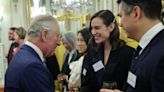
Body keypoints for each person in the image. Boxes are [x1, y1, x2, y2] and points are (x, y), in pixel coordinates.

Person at [100, 0, 164, 92]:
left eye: (121, 16)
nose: (120, 24)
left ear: (136, 13)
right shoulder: (144, 48)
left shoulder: (160, 54)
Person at [80, 10, 134, 92]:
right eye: (91, 28)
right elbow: (85, 84)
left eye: (97, 28)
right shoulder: (92, 52)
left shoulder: (128, 53)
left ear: (111, 27)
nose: (93, 32)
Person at [5, 15, 61, 92]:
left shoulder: (23, 55)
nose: (59, 43)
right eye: (57, 36)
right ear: (44, 35)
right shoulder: (32, 66)